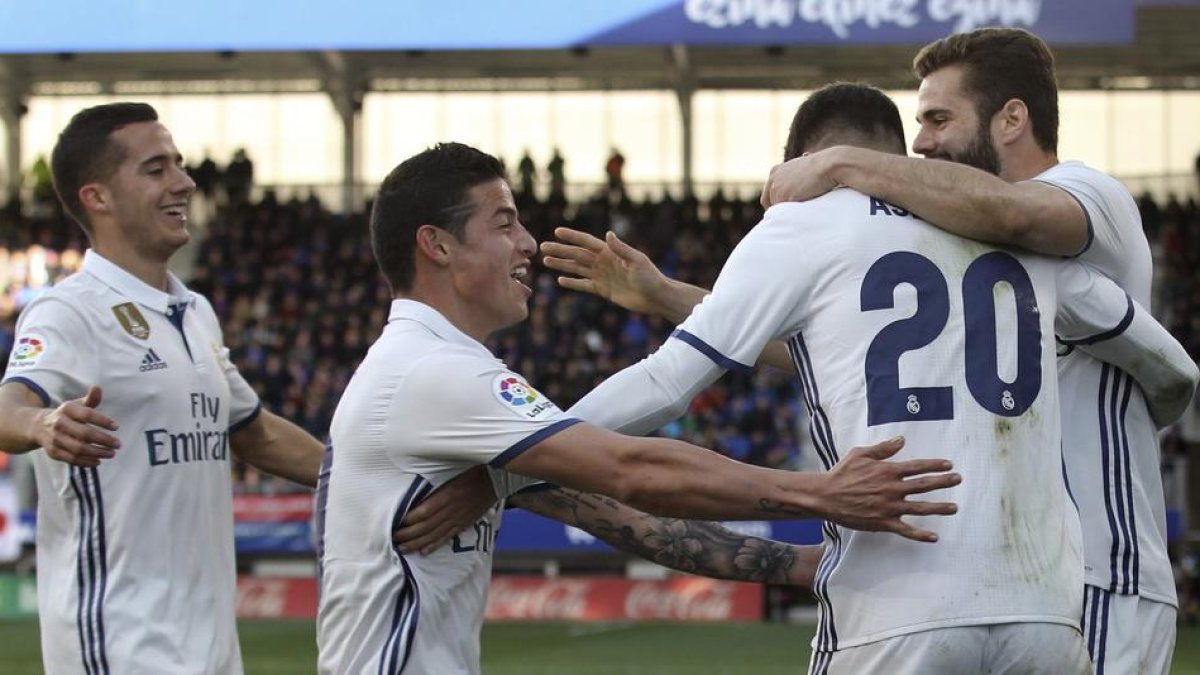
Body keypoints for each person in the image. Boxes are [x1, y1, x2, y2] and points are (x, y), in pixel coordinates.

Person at [543, 83, 1198, 674]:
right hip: (1043, 615)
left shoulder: (804, 224)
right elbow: (1169, 365)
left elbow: (666, 382)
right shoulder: (1013, 231)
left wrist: (519, 452)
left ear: (802, 160)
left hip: (895, 607)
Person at [316, 141, 964, 674]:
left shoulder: (438, 381)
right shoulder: (432, 373)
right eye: (504, 221)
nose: (528, 244)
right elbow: (630, 466)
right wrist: (821, 493)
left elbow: (631, 519)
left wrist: (802, 562)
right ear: (437, 245)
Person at [761, 28, 1185, 675]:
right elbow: (858, 357)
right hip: (1030, 584)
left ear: (1012, 117)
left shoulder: (1087, 192)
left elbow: (1019, 216)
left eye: (937, 118)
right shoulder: (966, 240)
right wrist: (675, 301)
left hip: (1097, 569)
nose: (922, 143)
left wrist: (842, 161)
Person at [0, 103, 326, 674]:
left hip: (211, 646)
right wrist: (43, 424)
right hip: (120, 644)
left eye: (178, 164)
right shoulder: (69, 311)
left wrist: (370, 478)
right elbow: (10, 405)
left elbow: (255, 434)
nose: (184, 181)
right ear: (97, 197)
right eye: (156, 169)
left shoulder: (193, 310)